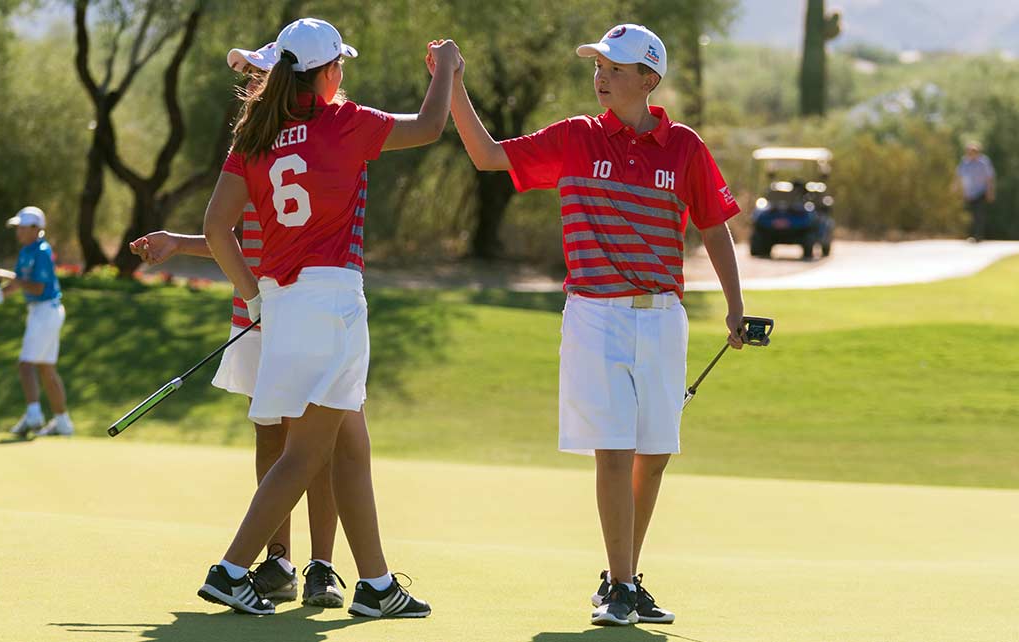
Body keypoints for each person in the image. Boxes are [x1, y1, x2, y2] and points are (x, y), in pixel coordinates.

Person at [448, 24, 745, 626]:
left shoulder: (684, 146)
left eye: (614, 66)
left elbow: (713, 225)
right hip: (595, 314)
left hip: (662, 318)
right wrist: (451, 83)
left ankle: (625, 579)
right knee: (614, 450)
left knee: (654, 453)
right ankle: (620, 584)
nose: (600, 75)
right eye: (598, 66)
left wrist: (736, 306)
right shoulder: (575, 138)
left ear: (648, 78)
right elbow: (487, 155)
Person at [196, 18, 460, 617]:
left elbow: (217, 229)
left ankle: (375, 584)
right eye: (339, 64)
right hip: (333, 301)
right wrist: (445, 69)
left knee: (349, 447)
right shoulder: (344, 121)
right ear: (324, 74)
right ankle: (231, 570)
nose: (344, 73)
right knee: (305, 453)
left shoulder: (255, 138)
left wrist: (255, 295)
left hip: (283, 305)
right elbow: (430, 126)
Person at [130, 41, 344, 608]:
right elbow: (230, 237)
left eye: (257, 71)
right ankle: (279, 561)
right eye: (247, 72)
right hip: (255, 312)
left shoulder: (311, 137)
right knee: (271, 435)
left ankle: (323, 566)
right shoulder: (250, 142)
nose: (248, 80)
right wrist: (178, 243)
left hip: (291, 305)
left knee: (315, 439)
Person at [4, 207, 75, 437]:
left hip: (47, 310)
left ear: (36, 229)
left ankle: (34, 415)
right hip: (40, 311)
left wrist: (11, 280)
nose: (19, 232)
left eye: (23, 228)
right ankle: (63, 422)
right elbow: (17, 284)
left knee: (26, 365)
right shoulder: (26, 251)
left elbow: (37, 287)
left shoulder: (42, 251)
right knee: (46, 368)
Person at [955, 142, 996, 242]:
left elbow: (989, 178)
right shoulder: (964, 162)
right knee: (969, 216)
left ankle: (978, 236)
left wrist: (990, 191)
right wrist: (956, 187)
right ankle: (970, 235)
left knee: (979, 214)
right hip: (968, 193)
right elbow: (958, 175)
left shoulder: (984, 162)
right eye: (969, 151)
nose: (971, 153)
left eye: (974, 151)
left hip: (980, 192)